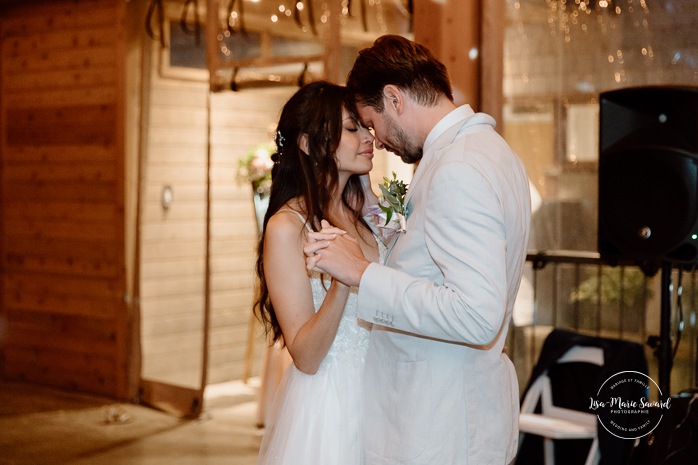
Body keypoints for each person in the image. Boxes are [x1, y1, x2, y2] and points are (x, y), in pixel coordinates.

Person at [304, 35, 531, 464]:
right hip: (456, 409)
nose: (380, 141)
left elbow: (476, 314)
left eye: (373, 123)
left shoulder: (458, 167)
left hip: (440, 423)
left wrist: (363, 273)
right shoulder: (492, 153)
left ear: (394, 98)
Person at [254, 80, 384, 465]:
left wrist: (375, 204)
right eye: (351, 128)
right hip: (332, 405)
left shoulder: (364, 214)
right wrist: (341, 282)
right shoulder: (286, 228)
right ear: (309, 145)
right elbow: (306, 357)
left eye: (365, 125)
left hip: (386, 393)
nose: (368, 136)